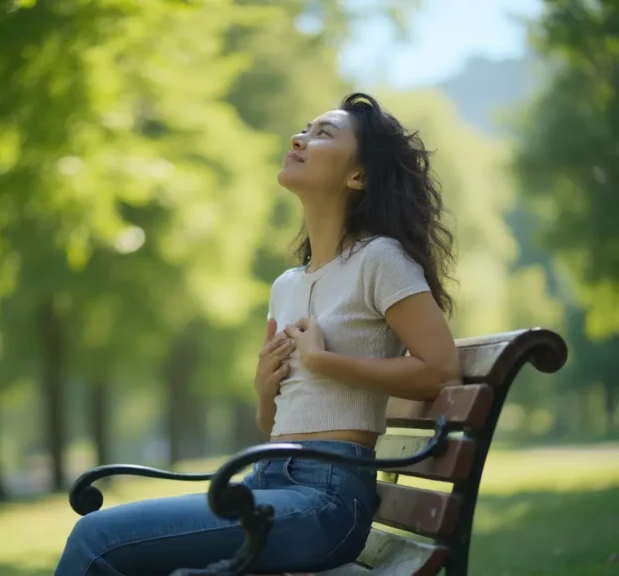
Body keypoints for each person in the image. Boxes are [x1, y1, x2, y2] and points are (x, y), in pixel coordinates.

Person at [54, 92, 462, 576]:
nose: (299, 137)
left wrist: (326, 362)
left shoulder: (380, 260)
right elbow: (273, 425)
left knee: (96, 538)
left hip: (326, 501)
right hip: (267, 480)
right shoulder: (286, 286)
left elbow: (440, 370)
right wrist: (264, 391)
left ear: (358, 175)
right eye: (304, 129)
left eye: (323, 134)